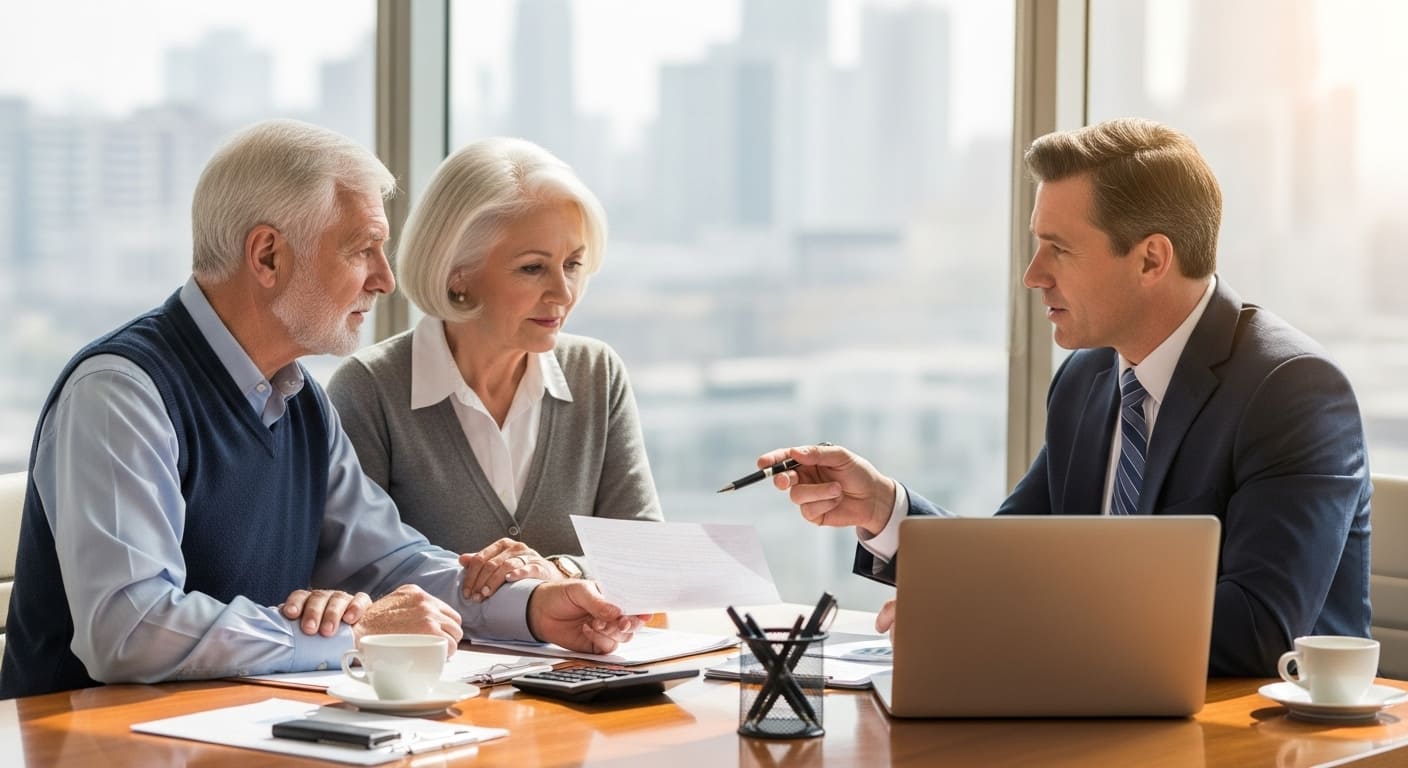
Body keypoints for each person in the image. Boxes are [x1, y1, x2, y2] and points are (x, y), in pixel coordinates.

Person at [0, 120, 643, 700]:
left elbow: (393, 564)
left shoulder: (299, 397)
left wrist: (535, 607)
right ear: (268, 256)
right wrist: (360, 632)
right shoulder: (121, 392)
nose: (386, 279)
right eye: (362, 248)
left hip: (237, 732)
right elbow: (128, 629)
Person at [757, 118, 1370, 677]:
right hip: (1101, 716)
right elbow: (1012, 556)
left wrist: (1009, 620)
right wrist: (883, 509)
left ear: (1151, 259)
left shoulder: (1292, 390)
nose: (1033, 274)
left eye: (1060, 248)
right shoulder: (1086, 381)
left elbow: (1261, 630)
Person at [327, 137, 662, 603]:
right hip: (440, 674)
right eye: (532, 268)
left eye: (573, 264)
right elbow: (356, 576)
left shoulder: (596, 373)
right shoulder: (369, 390)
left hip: (584, 671)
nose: (563, 293)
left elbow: (645, 554)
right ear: (457, 272)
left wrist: (557, 569)